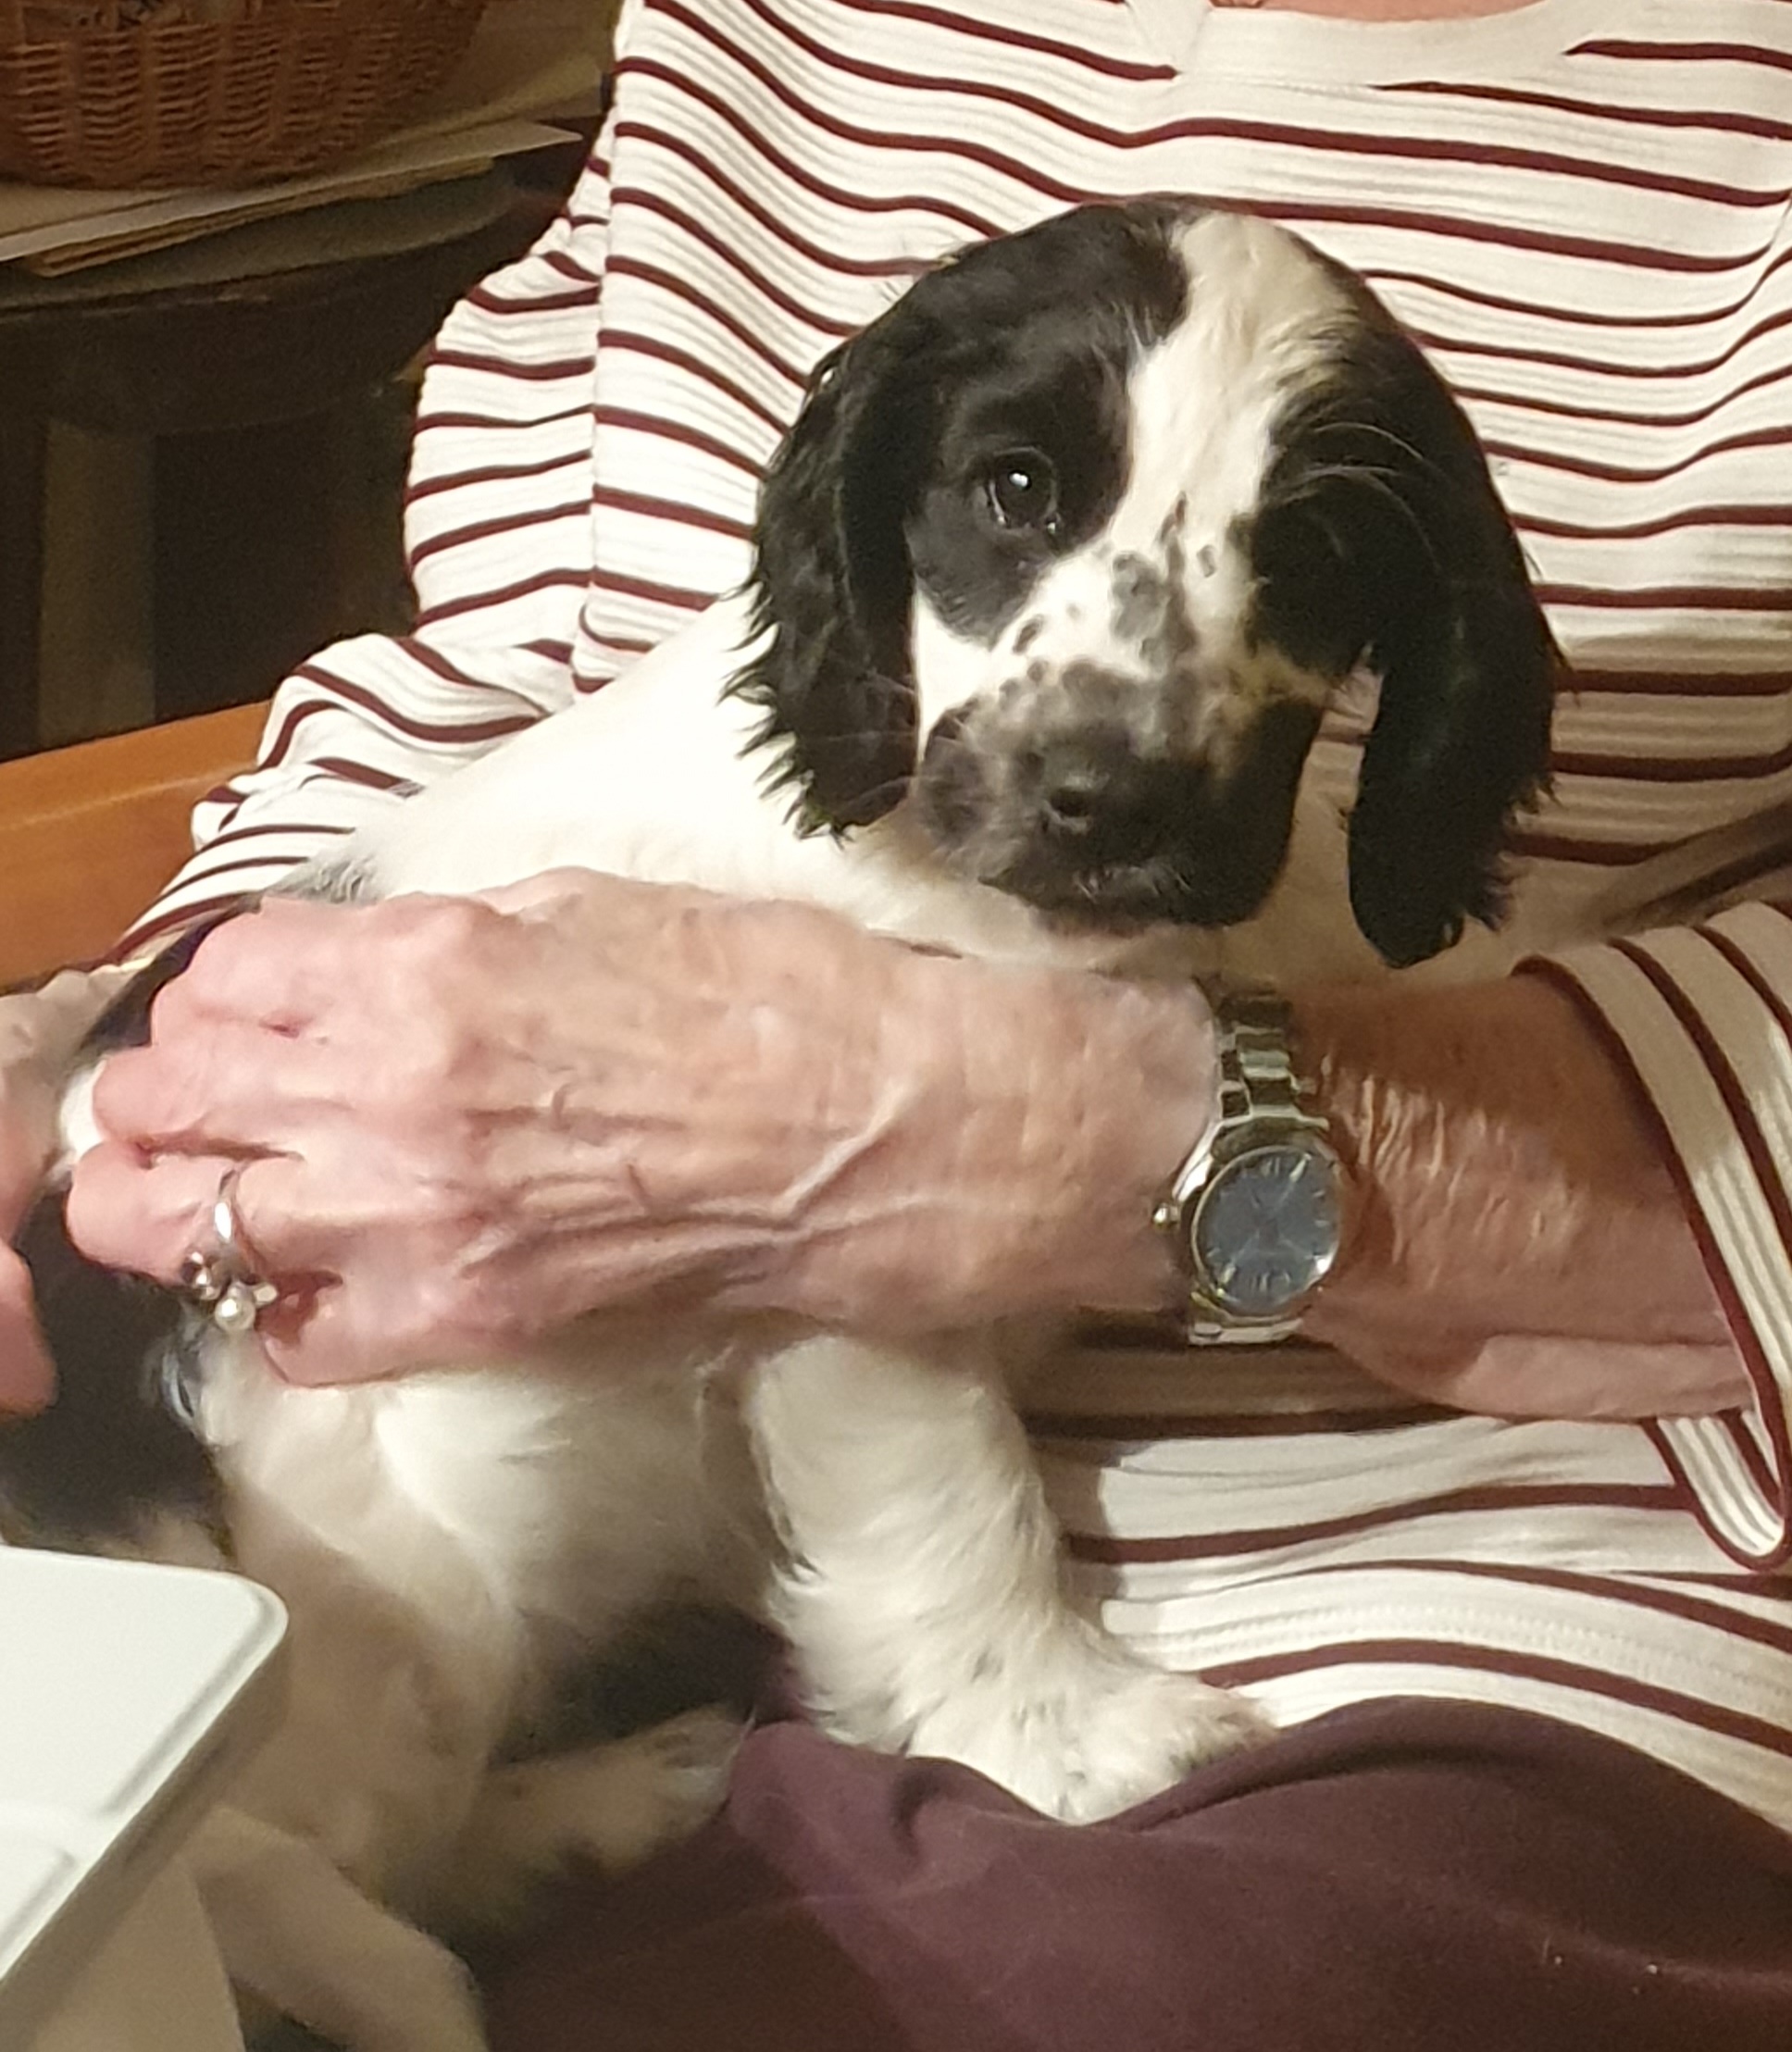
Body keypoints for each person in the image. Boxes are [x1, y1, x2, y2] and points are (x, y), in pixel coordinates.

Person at [7, 0, 1792, 2044]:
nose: (1123, 719)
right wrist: (103, 1055)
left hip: (1404, 1633)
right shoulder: (765, 42)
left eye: (1295, 564)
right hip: (352, 1492)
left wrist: (1038, 1130)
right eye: (1020, 489)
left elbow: (832, 1212)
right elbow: (456, 687)